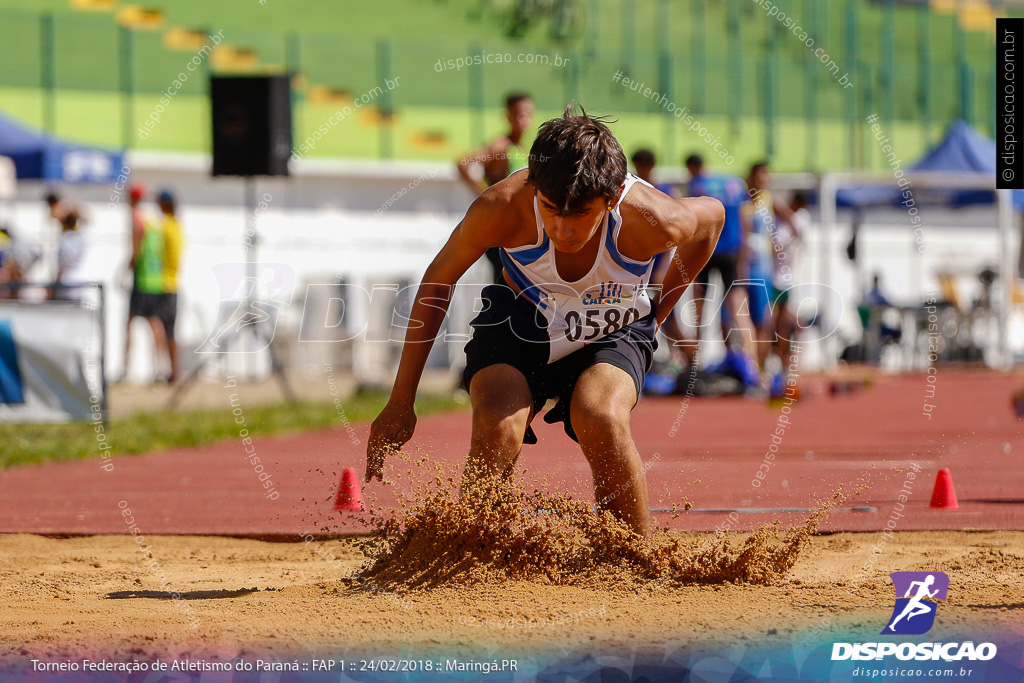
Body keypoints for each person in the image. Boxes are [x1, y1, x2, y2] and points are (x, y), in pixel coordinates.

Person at [367, 106, 725, 538]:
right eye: (551, 209)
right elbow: (437, 281)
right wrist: (401, 401)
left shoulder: (655, 219)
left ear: (612, 200)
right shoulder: (502, 206)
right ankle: (472, 552)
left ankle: (632, 557)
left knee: (602, 416)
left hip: (610, 326)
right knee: (499, 424)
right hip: (520, 320)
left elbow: (713, 219)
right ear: (535, 189)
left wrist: (658, 313)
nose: (563, 229)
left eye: (579, 214)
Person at [456, 92, 536, 282]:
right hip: (500, 227)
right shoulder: (501, 146)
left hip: (514, 227)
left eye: (527, 113)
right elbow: (463, 163)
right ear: (508, 116)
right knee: (504, 282)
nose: (523, 119)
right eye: (518, 113)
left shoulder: (522, 148)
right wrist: (485, 195)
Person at [685, 153, 750, 354]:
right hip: (731, 250)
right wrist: (743, 255)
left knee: (700, 305)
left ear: (692, 167)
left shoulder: (697, 185)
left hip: (707, 250)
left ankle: (696, 358)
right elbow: (743, 221)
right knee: (738, 307)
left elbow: (694, 223)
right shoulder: (733, 183)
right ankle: (751, 360)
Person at [742, 161, 794, 367]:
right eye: (760, 175)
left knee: (763, 321)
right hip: (742, 268)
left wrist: (784, 251)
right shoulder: (742, 202)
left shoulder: (769, 200)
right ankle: (745, 365)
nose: (763, 179)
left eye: (766, 175)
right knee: (738, 321)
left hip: (763, 268)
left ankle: (759, 368)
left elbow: (794, 223)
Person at [121, 183, 167, 381]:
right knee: (155, 323)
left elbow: (136, 251)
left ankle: (125, 370)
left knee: (130, 324)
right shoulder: (152, 219)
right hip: (155, 279)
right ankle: (160, 369)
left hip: (142, 279)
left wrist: (123, 273)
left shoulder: (136, 219)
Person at [153, 190, 183, 383]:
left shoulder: (164, 226)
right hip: (173, 284)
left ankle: (168, 371)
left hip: (163, 285)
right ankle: (173, 372)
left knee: (162, 330)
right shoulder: (177, 225)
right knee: (171, 331)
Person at [53, 210, 86, 301]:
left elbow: (61, 264)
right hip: (79, 280)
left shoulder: (63, 240)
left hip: (65, 281)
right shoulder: (81, 238)